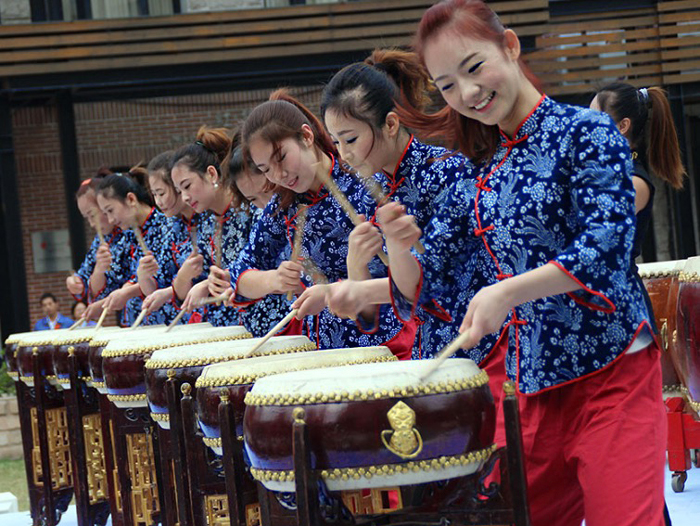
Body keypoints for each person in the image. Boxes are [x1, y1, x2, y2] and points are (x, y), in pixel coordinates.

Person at [335, 1, 663, 525]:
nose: (466, 94)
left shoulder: (589, 133)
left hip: (612, 372)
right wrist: (398, 246)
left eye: (473, 68)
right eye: (446, 85)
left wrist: (506, 292)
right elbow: (427, 286)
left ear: (509, 46)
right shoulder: (483, 170)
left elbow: (605, 249)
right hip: (532, 386)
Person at [295, 48, 471, 360]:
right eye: (335, 142)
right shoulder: (369, 192)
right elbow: (371, 315)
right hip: (424, 351)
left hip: (473, 346)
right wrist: (355, 267)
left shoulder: (446, 172)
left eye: (350, 140)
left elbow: (441, 282)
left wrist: (345, 290)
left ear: (390, 125)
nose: (343, 154)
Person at [228, 89, 410, 353]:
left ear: (306, 135)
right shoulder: (283, 206)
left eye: (281, 157)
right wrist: (274, 280)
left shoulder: (364, 179)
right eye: (266, 169)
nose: (279, 174)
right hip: (325, 349)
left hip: (387, 342)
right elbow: (240, 273)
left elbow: (405, 276)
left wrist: (328, 294)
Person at [590, 82, 686, 331]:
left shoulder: (635, 182)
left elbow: (589, 231)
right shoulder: (601, 173)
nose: (585, 128)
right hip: (594, 305)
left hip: (622, 309)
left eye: (594, 119)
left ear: (623, 126)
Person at [170, 127, 267, 332]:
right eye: (179, 191)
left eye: (187, 186)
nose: (184, 197)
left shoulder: (251, 206)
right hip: (224, 329)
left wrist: (207, 285)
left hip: (264, 323)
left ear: (211, 174)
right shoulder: (204, 223)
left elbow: (263, 264)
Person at [95, 169, 174, 326]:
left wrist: (128, 291)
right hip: (138, 324)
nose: (110, 220)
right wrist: (100, 269)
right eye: (105, 213)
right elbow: (115, 280)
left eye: (110, 210)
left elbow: (166, 278)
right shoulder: (128, 235)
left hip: (166, 323)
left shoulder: (166, 226)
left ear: (131, 199)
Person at [140, 151, 201, 324]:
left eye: (161, 193)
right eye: (154, 194)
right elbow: (156, 288)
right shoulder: (170, 226)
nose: (158, 202)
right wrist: (143, 275)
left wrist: (172, 289)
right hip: (181, 321)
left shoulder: (207, 217)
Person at [67, 174, 126, 309]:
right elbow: (85, 281)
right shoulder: (100, 241)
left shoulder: (128, 231)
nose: (91, 223)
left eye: (92, 215)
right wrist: (75, 283)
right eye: (86, 218)